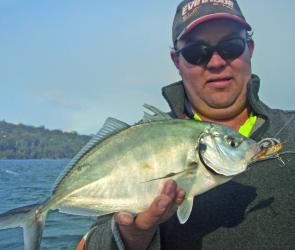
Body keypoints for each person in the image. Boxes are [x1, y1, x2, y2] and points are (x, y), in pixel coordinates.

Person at [77, 0, 295, 249]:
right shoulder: (136, 142)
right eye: (196, 52)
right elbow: (86, 245)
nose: (215, 62)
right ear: (176, 61)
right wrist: (134, 236)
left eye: (231, 47)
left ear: (250, 49)